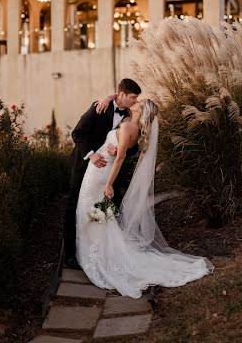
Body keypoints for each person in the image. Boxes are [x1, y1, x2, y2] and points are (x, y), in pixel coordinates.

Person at [75, 98, 214, 298]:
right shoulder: (134, 128)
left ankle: (97, 257)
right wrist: (115, 150)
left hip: (101, 173)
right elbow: (121, 151)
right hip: (103, 167)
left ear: (142, 111)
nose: (137, 101)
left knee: (88, 207)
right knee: (95, 211)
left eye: (140, 102)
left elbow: (121, 157)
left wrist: (109, 184)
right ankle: (96, 252)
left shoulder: (127, 127)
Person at [63, 78, 142, 270]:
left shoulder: (130, 115)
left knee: (110, 206)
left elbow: (133, 146)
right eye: (132, 97)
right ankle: (70, 254)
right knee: (75, 205)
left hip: (109, 171)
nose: (135, 101)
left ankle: (98, 247)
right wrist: (91, 155)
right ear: (122, 95)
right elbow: (77, 134)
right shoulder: (99, 107)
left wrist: (120, 150)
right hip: (84, 165)